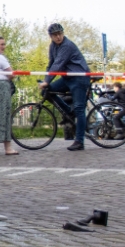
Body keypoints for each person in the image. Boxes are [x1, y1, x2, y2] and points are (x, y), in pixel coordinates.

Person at [39, 23, 91, 151]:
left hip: (79, 78)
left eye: (60, 34)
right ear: (51, 36)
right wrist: (46, 80)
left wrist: (47, 80)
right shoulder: (53, 46)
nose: (58, 37)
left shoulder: (67, 45)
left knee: (79, 108)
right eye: (55, 35)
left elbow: (58, 64)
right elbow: (51, 64)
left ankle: (79, 141)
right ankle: (68, 111)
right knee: (47, 91)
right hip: (68, 78)